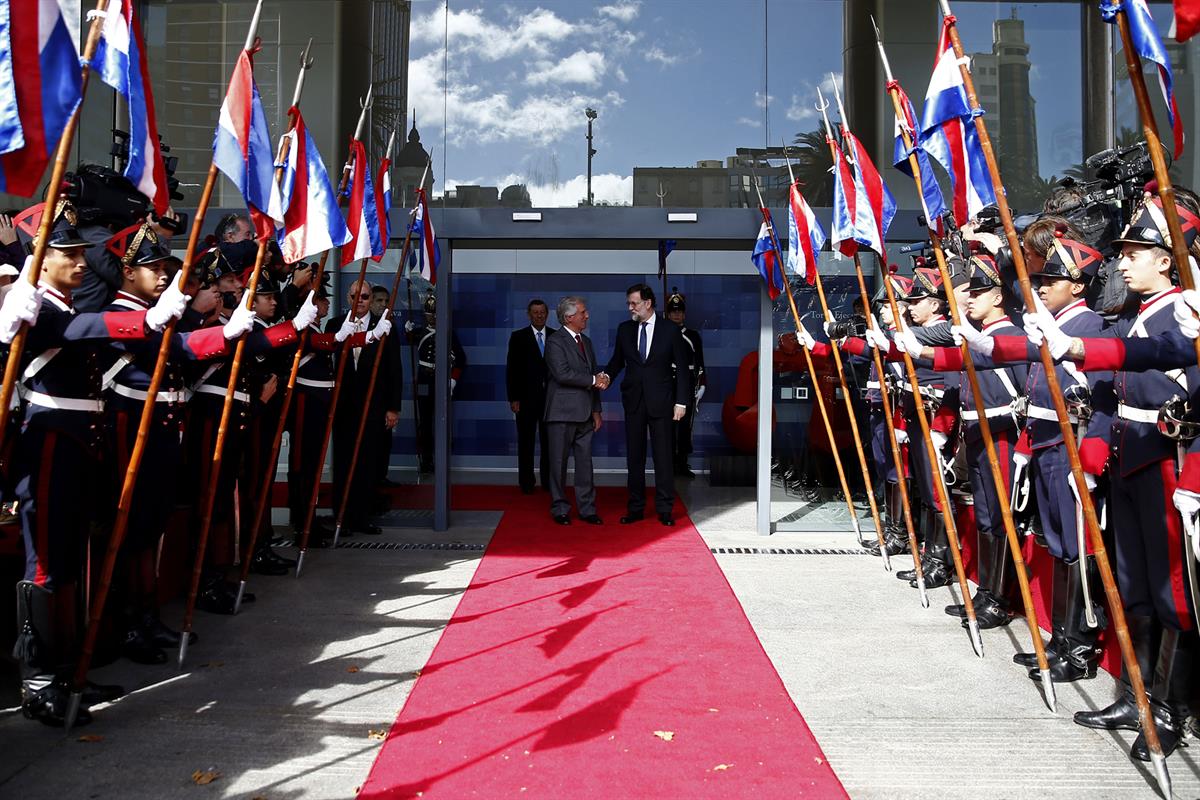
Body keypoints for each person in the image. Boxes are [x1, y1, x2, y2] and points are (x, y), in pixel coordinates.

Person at [2, 201, 190, 725]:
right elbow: (80, 329)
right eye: (68, 253)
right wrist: (145, 322)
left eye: (83, 252)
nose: (81, 262)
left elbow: (87, 325)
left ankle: (62, 670)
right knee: (43, 564)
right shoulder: (32, 303)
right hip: (50, 443)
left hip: (81, 443)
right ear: (40, 258)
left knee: (65, 558)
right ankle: (38, 681)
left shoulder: (60, 302)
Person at [600, 283, 691, 526]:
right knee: (635, 458)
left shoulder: (670, 330)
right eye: (629, 303)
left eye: (634, 303)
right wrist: (606, 377)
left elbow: (683, 369)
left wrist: (681, 401)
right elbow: (617, 361)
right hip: (634, 402)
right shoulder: (624, 330)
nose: (630, 307)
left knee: (663, 458)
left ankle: (664, 509)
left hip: (662, 403)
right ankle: (636, 508)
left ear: (648, 303)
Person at [328, 280, 399, 536]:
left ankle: (362, 516)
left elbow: (394, 370)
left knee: (368, 462)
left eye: (365, 297)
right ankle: (342, 518)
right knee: (344, 461)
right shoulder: (336, 325)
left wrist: (393, 408)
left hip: (374, 405)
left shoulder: (385, 327)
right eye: (355, 296)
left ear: (372, 299)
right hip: (344, 406)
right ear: (347, 298)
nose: (360, 301)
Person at [543, 296, 604, 525]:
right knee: (558, 463)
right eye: (582, 312)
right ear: (569, 317)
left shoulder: (586, 341)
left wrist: (596, 410)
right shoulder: (555, 341)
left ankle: (587, 509)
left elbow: (594, 375)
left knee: (585, 464)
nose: (586, 315)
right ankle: (560, 508)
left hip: (586, 414)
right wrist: (593, 379)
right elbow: (562, 374)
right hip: (561, 413)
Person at [409, 292, 465, 474]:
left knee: (442, 421)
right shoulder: (419, 332)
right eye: (429, 312)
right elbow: (409, 339)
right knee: (424, 422)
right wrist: (407, 330)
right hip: (424, 379)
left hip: (441, 380)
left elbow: (461, 359)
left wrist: (453, 381)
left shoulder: (448, 333)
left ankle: (442, 459)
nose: (432, 316)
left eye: (435, 312)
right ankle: (427, 460)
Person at [506, 298, 554, 494]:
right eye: (535, 312)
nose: (539, 315)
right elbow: (512, 370)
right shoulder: (518, 337)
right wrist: (513, 398)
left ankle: (548, 482)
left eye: (542, 312)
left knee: (549, 443)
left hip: (550, 400)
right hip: (525, 400)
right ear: (529, 314)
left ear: (547, 314)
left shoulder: (556, 336)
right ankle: (526, 482)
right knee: (525, 442)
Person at [664, 289, 705, 478]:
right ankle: (669, 464)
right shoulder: (662, 334)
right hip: (667, 384)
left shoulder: (692, 335)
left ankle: (681, 463)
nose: (676, 314)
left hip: (687, 383)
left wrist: (701, 384)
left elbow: (699, 362)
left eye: (679, 311)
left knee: (684, 427)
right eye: (672, 311)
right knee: (667, 427)